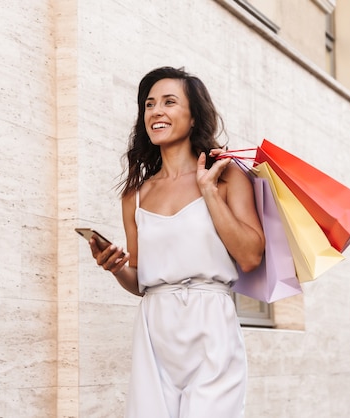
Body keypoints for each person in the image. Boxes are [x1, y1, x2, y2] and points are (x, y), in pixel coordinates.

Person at [88, 66, 265, 418]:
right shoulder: (135, 195)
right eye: (149, 104)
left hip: (210, 319)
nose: (156, 111)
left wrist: (208, 192)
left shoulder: (227, 176)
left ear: (194, 115)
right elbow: (139, 281)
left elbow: (249, 256)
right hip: (155, 326)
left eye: (169, 102)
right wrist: (114, 268)